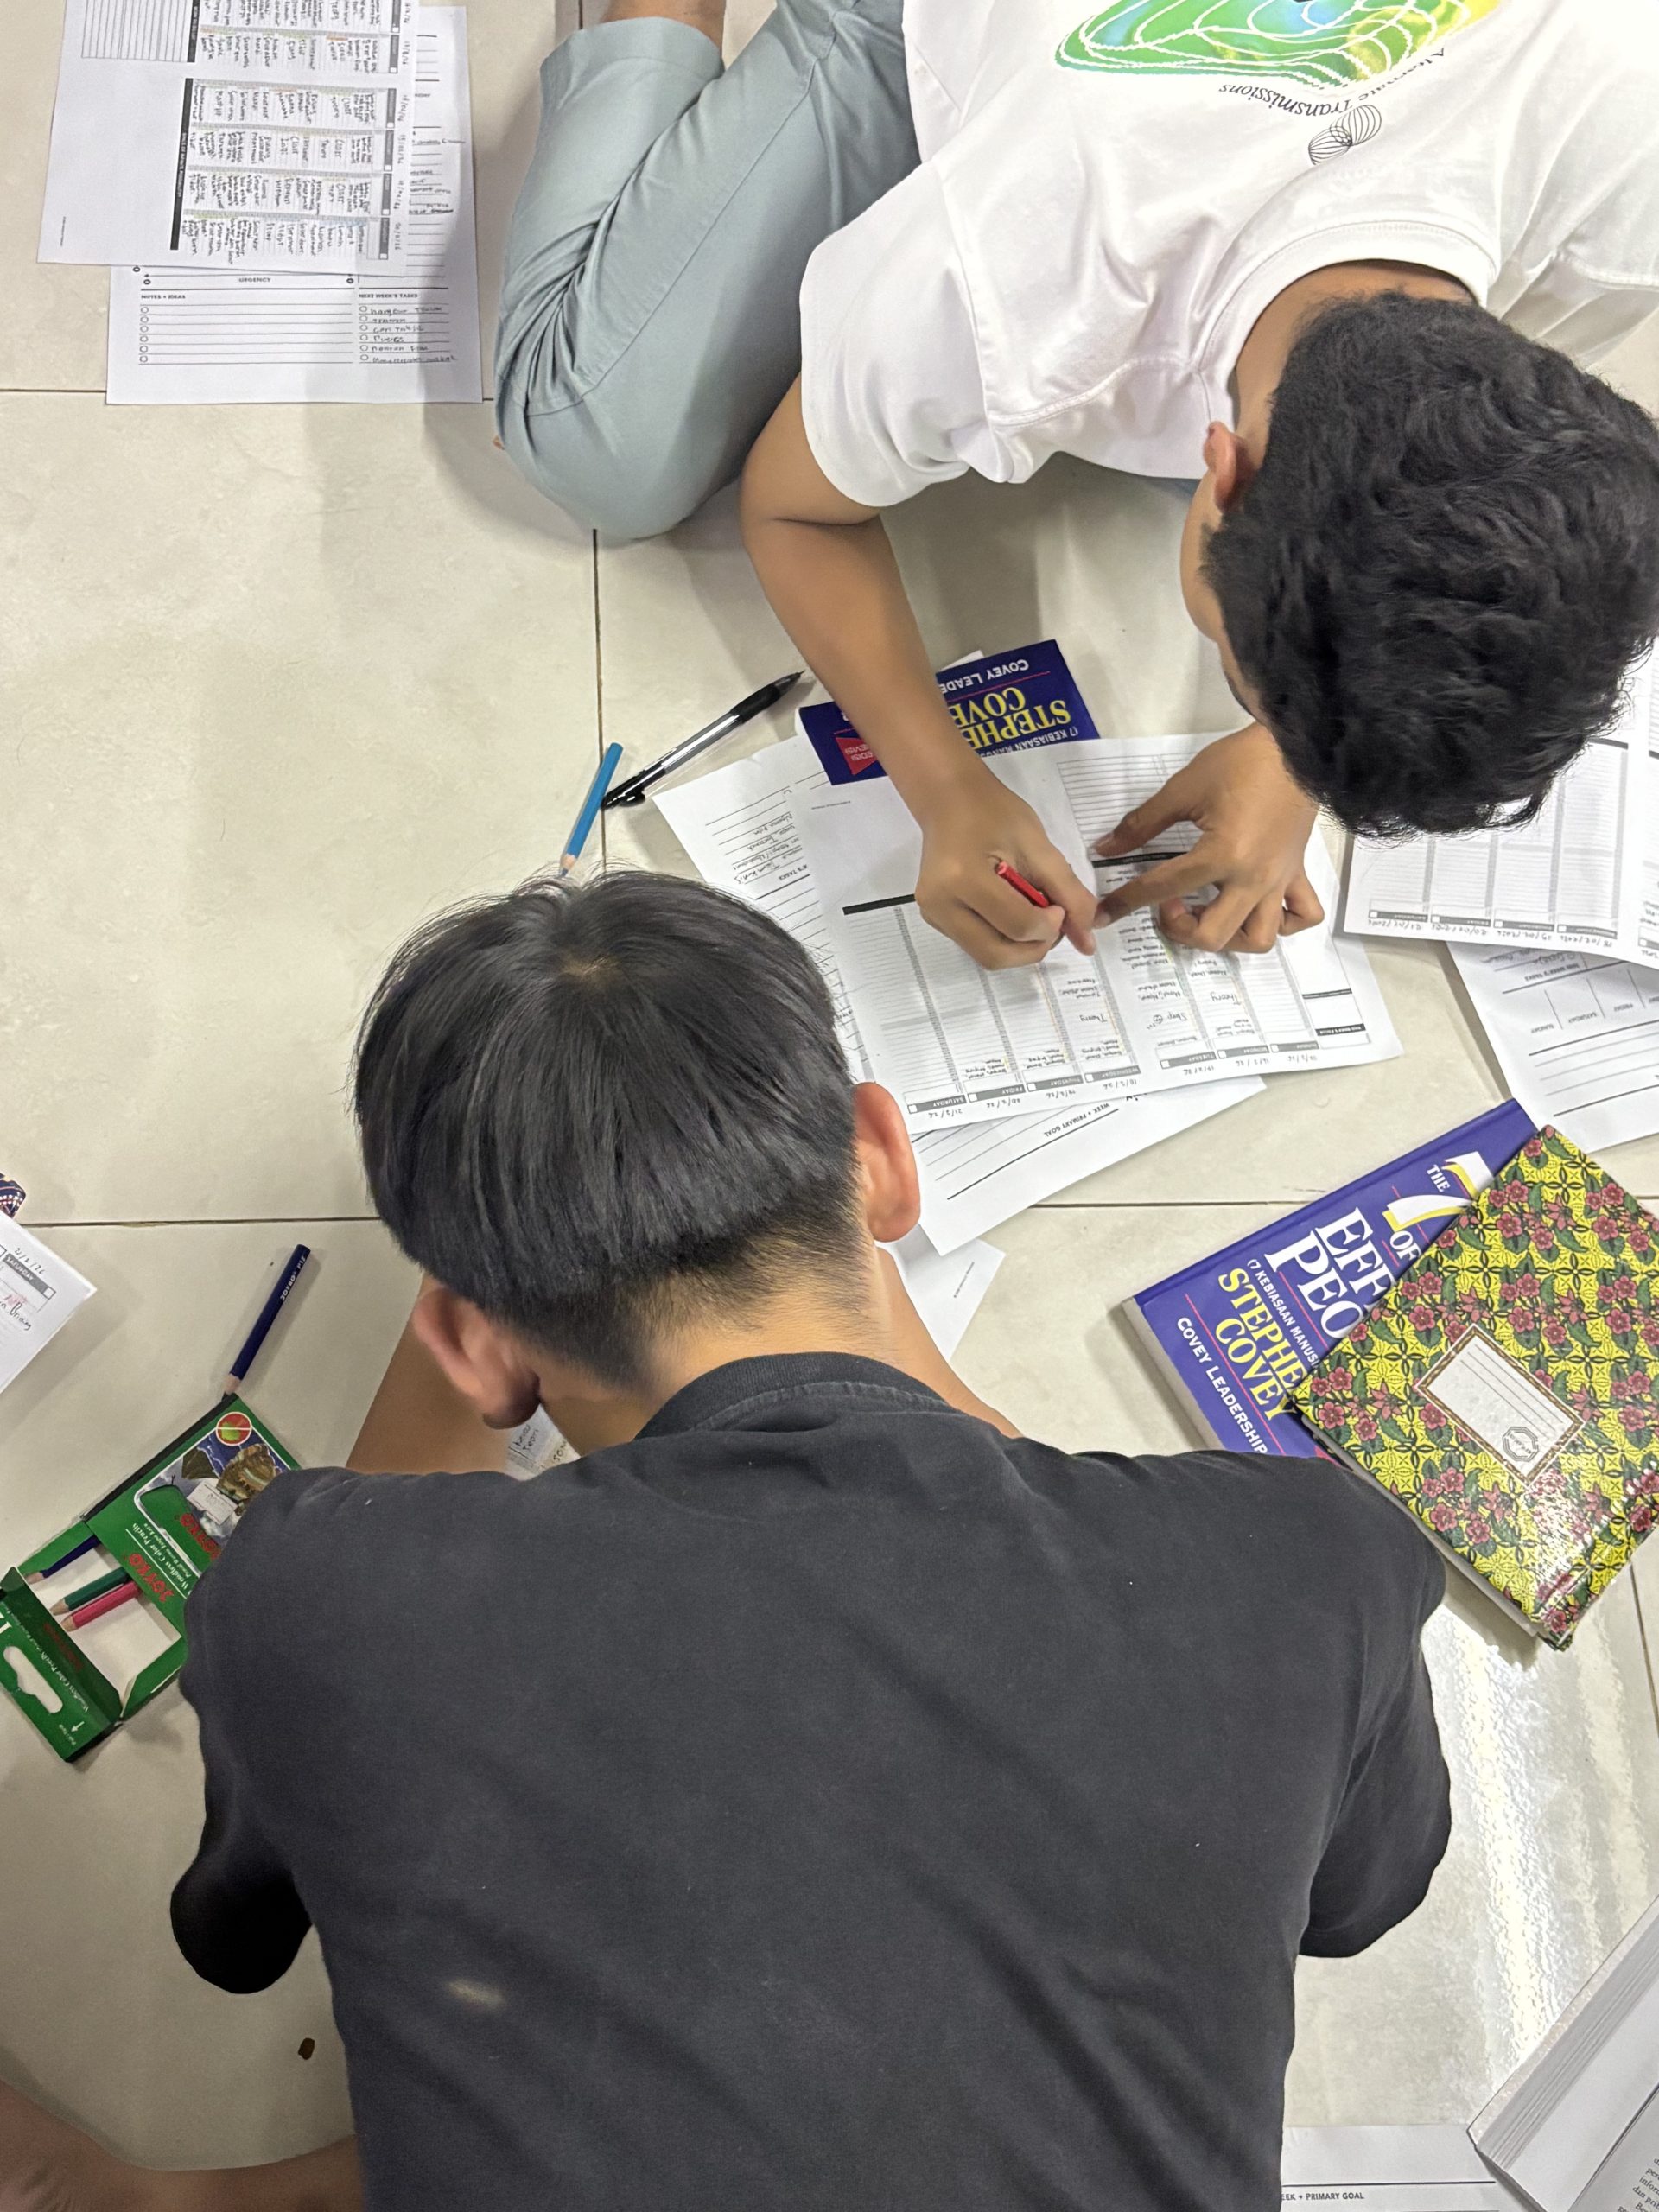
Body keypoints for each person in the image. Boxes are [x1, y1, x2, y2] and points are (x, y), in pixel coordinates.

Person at [2, 873, 1451, 2211]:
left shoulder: (318, 1595)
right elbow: (1355, 1903)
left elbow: (235, 1944)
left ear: (469, 1345)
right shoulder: (1312, 1567)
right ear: (884, 1161)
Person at [494, 0, 1659, 968]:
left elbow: (1481, 489)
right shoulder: (1021, 277)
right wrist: (943, 786)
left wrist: (1295, 760)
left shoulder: (1632, 171)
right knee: (596, 443)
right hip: (999, 70)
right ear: (1220, 469)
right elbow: (793, 504)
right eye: (1252, 686)